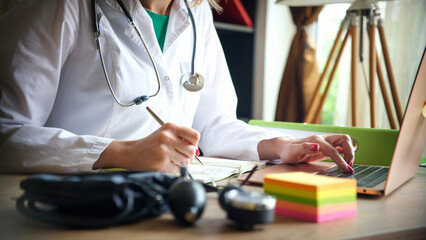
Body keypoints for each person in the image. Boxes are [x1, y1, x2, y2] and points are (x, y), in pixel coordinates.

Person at [0, 0, 355, 174]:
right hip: (75, 209)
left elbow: (213, 124)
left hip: (165, 201)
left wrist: (282, 144)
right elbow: (7, 134)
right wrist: (120, 152)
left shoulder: (195, 11)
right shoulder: (62, 5)